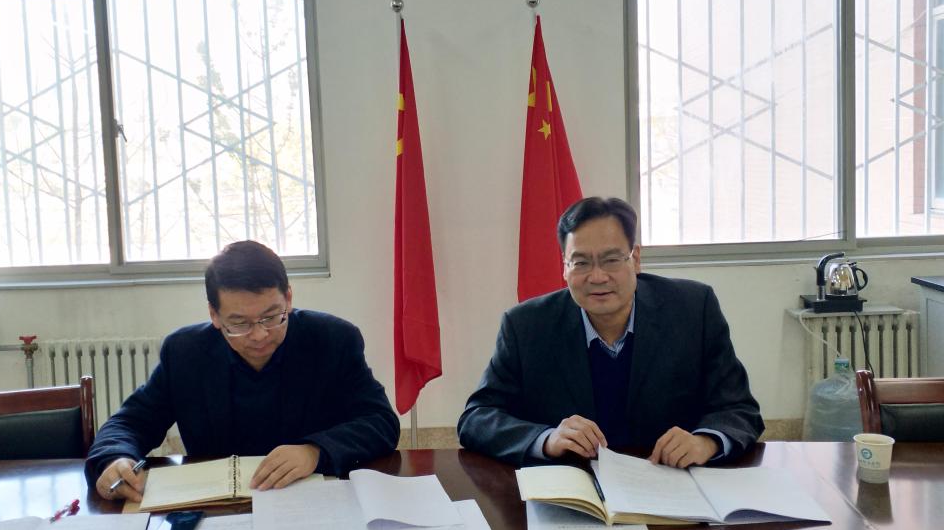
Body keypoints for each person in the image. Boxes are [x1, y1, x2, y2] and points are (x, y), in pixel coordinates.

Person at [458, 196, 763, 469]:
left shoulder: (693, 310)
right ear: (564, 268)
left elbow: (738, 408)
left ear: (636, 259)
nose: (597, 276)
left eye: (611, 260)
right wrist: (546, 439)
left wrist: (705, 442)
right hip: (573, 487)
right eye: (581, 263)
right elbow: (477, 418)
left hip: (669, 483)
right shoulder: (526, 325)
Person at [86, 240, 400, 501]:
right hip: (218, 508)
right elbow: (130, 422)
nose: (259, 335)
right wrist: (114, 459)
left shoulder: (333, 340)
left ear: (288, 298)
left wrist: (315, 451)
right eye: (239, 323)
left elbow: (381, 421)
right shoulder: (186, 353)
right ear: (214, 314)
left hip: (310, 501)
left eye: (271, 317)